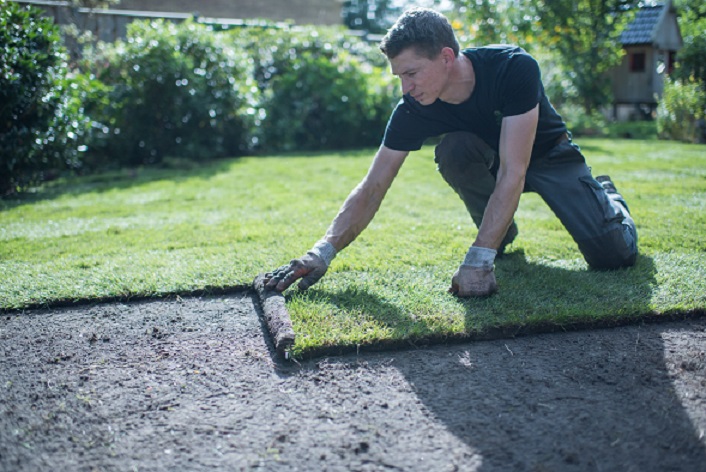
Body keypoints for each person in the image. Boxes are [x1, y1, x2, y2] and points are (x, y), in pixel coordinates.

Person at [264, 7, 638, 297]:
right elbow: (373, 185)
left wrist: (477, 261)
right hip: (491, 163)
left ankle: (606, 197)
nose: (405, 88)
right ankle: (499, 236)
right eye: (399, 77)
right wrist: (322, 252)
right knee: (454, 150)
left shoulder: (513, 68)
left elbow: (515, 170)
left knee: (613, 257)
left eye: (411, 73)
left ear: (446, 57)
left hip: (549, 157)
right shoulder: (414, 108)